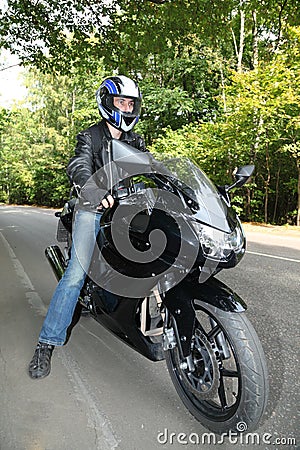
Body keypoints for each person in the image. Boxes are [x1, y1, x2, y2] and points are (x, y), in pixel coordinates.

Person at [28, 75, 146, 379]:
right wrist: (93, 191)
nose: (127, 107)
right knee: (76, 275)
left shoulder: (135, 141)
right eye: (122, 101)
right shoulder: (90, 136)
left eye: (131, 103)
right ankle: (46, 343)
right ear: (108, 102)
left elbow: (149, 168)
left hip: (126, 209)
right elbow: (79, 165)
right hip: (92, 207)